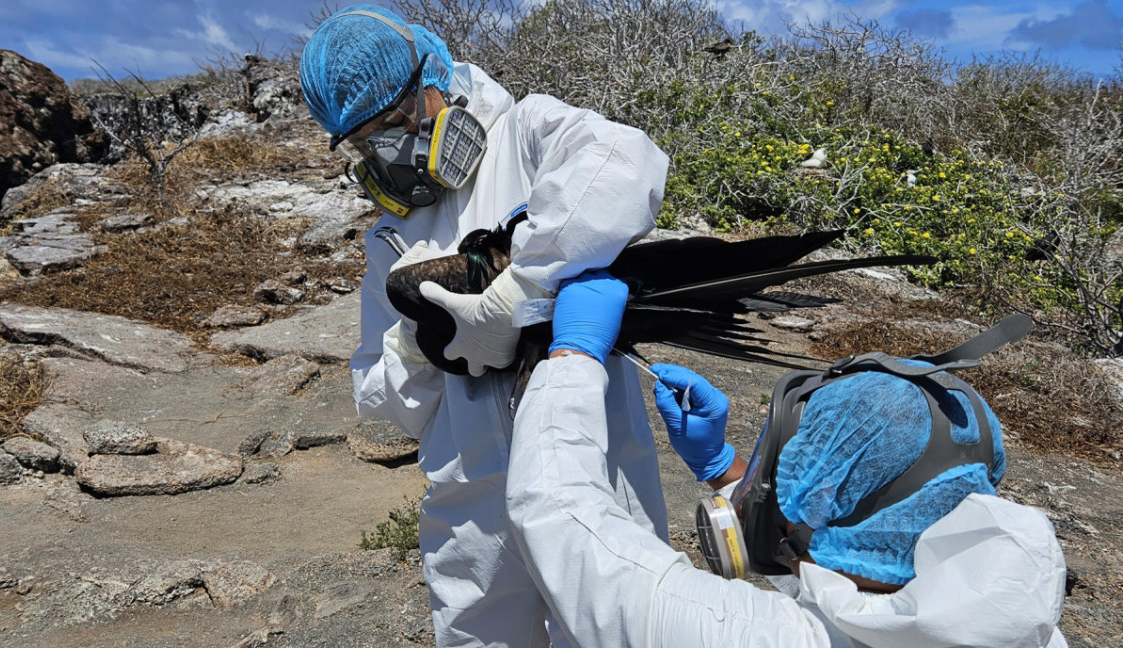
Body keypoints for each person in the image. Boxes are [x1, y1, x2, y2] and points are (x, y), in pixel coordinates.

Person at [298, 8, 670, 647]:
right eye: (367, 142)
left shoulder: (527, 133)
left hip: (592, 463)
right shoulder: (389, 237)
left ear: (434, 75)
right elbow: (372, 389)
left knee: (615, 627)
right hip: (473, 495)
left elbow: (627, 165)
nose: (392, 148)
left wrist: (522, 289)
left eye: (396, 122)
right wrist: (421, 345)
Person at [506, 270, 1068, 648]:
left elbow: (561, 518)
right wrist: (722, 469)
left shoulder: (738, 634)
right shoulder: (1020, 618)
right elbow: (849, 587)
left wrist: (573, 357)